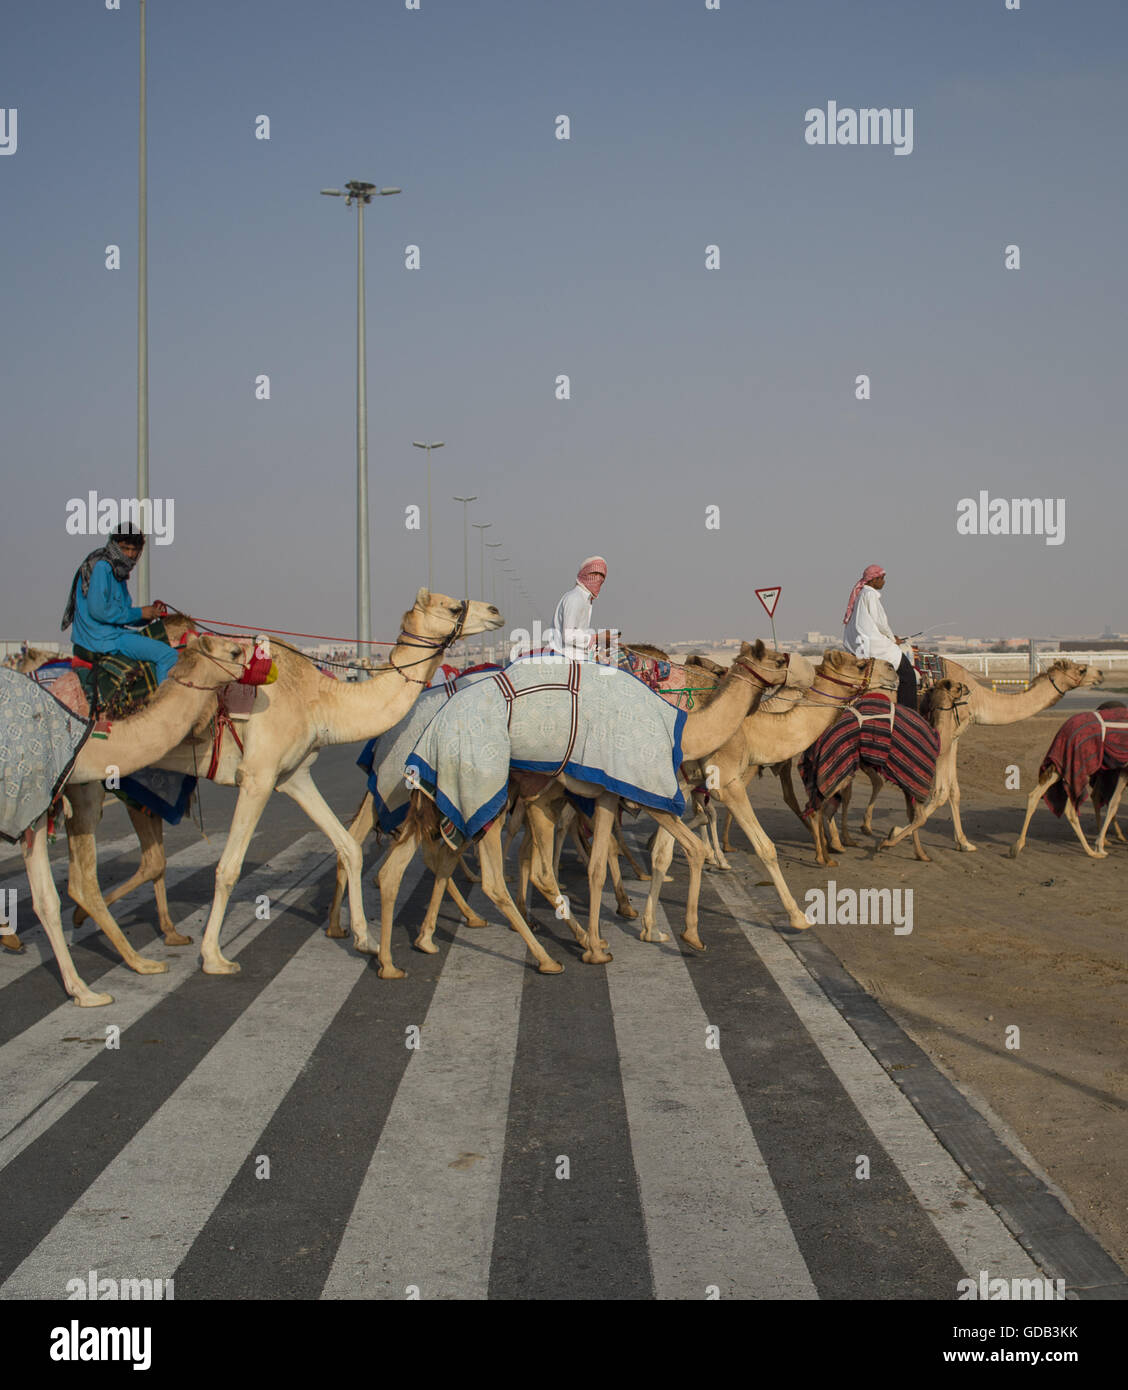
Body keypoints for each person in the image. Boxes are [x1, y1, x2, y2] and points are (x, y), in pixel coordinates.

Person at [61, 523, 177, 683]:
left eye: (133, 550)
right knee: (168, 655)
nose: (129, 554)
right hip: (101, 638)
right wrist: (140, 613)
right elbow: (99, 611)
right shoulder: (103, 567)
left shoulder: (118, 570)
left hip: (110, 634)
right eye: (125, 548)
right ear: (115, 545)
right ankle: (165, 706)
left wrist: (147, 615)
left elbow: (121, 614)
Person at [842, 564, 917, 711]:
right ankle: (908, 713)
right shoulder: (869, 595)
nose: (884, 581)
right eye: (882, 578)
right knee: (908, 674)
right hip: (874, 645)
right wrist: (892, 639)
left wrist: (891, 636)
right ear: (873, 579)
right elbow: (880, 622)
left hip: (863, 644)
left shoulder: (862, 595)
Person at [545, 556, 615, 661]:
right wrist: (595, 638)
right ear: (583, 574)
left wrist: (600, 642)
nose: (597, 578)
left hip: (576, 656)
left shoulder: (585, 600)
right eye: (594, 574)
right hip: (563, 657)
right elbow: (568, 636)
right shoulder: (575, 598)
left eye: (601, 575)